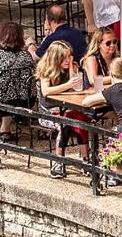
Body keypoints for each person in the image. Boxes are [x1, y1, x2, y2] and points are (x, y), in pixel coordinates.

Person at [35, 42, 88, 176]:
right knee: (65, 124)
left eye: (70, 56)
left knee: (81, 121)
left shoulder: (70, 67)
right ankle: (58, 161)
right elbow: (46, 91)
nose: (68, 60)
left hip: (67, 108)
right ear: (56, 58)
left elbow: (77, 88)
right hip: (48, 112)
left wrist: (72, 69)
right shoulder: (46, 70)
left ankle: (86, 159)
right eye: (65, 57)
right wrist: (68, 84)